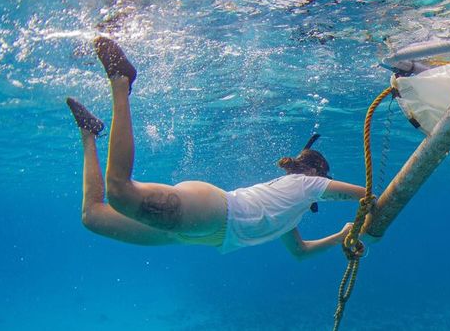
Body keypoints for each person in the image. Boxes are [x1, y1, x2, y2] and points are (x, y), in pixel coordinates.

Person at [67, 37, 367, 257]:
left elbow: (300, 252)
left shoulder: (291, 213)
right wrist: (373, 211)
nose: (325, 182)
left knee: (93, 216)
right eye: (325, 176)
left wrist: (341, 236)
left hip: (201, 234)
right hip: (214, 212)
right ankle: (121, 80)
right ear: (317, 171)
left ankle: (89, 133)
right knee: (120, 191)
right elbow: (363, 196)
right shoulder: (306, 183)